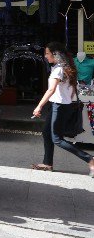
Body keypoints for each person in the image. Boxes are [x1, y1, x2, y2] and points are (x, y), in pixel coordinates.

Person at [32, 42, 94, 176]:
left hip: (59, 106)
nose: (45, 56)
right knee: (46, 133)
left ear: (55, 54)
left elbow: (51, 89)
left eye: (47, 53)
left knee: (57, 139)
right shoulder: (66, 67)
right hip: (61, 105)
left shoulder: (59, 69)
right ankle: (47, 163)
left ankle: (90, 159)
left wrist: (39, 106)